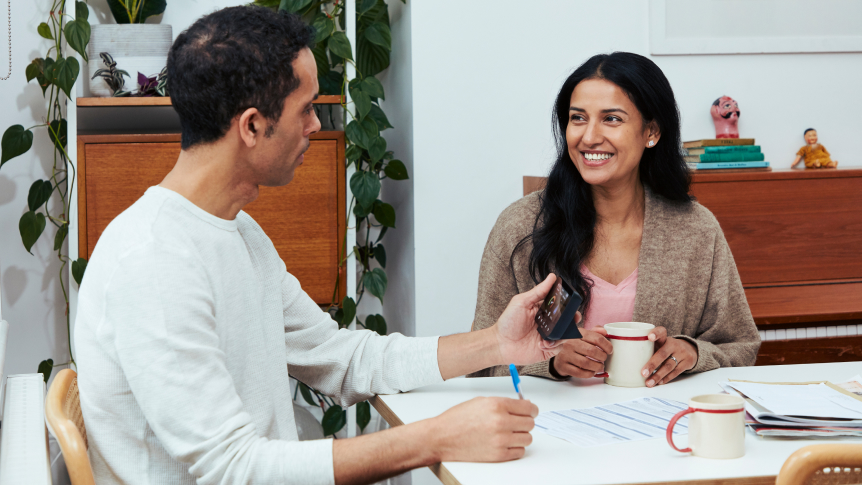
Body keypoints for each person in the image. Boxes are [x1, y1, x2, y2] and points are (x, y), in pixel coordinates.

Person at [74, 7, 565, 485]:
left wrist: (495, 343)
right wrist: (434, 438)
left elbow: (341, 358)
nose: (316, 125)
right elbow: (234, 470)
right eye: (307, 108)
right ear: (251, 126)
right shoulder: (154, 261)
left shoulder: (239, 233)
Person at [469, 52, 761, 385]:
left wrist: (693, 353)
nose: (589, 137)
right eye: (578, 118)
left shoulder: (696, 229)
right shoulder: (520, 227)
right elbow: (481, 366)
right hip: (548, 426)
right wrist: (550, 363)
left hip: (662, 427)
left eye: (611, 119)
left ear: (651, 131)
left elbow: (740, 346)